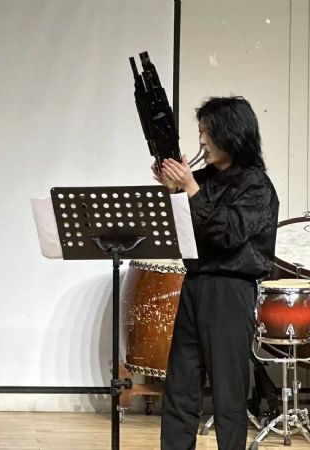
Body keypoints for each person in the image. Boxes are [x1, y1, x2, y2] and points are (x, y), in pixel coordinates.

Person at [154, 96, 279, 450]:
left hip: (230, 289)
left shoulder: (256, 185)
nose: (201, 141)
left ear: (230, 133)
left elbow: (227, 233)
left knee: (228, 392)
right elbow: (182, 230)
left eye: (206, 132)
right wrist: (172, 190)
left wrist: (190, 189)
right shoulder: (205, 179)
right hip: (195, 283)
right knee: (180, 387)